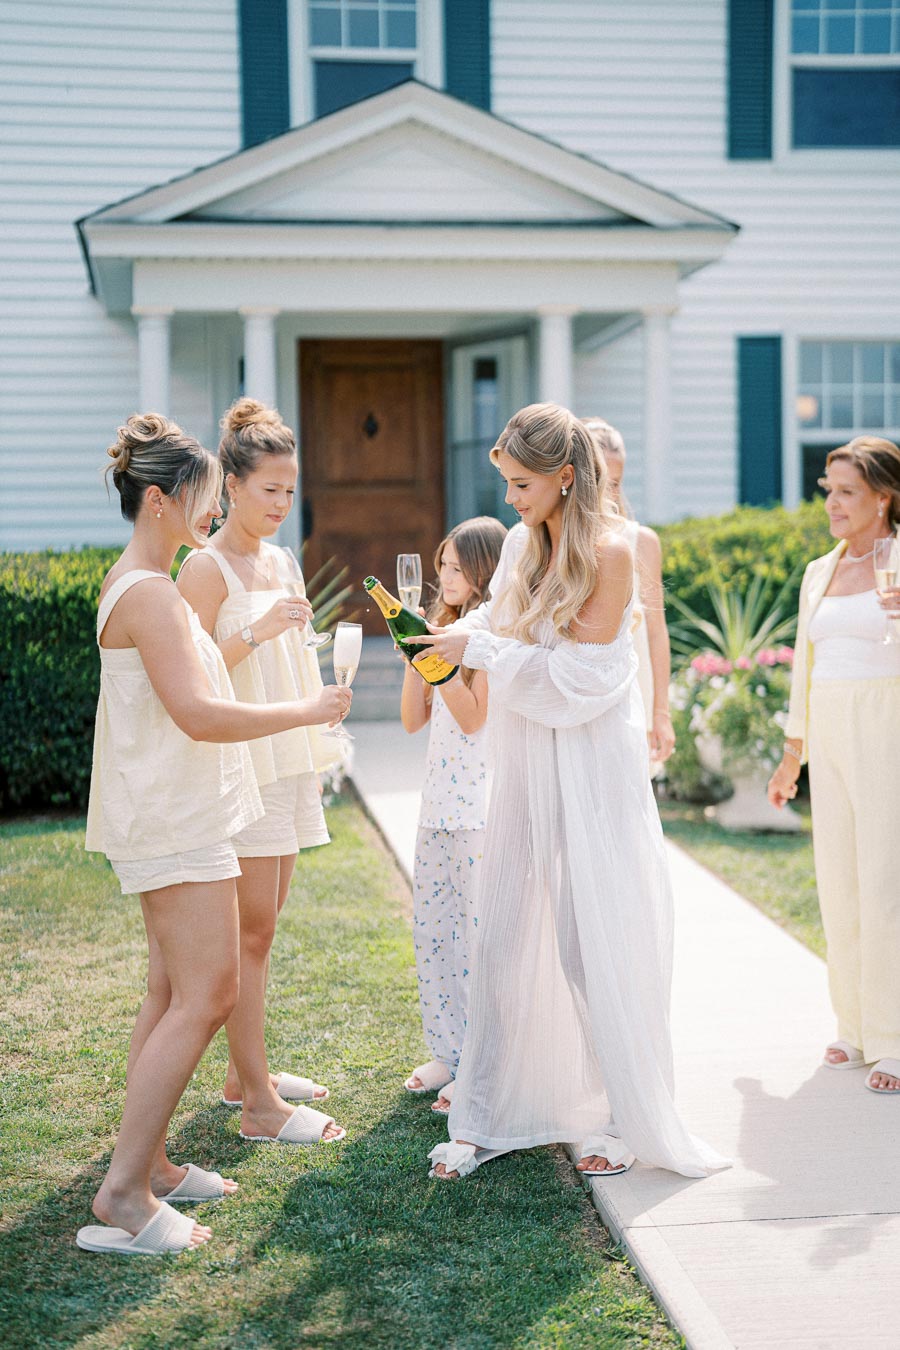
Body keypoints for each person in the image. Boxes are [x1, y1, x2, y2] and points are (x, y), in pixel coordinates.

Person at [407, 403, 729, 1182]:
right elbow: (509, 623)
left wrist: (482, 644)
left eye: (522, 484)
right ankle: (487, 1111)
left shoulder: (612, 552)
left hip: (592, 763)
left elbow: (585, 682)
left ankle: (618, 1113)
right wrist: (452, 629)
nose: (511, 499)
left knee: (596, 936)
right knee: (509, 929)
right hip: (526, 760)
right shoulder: (519, 542)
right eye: (507, 484)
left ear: (564, 476)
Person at [78, 414, 350, 1258]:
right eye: (198, 501)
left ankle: (149, 1165)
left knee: (170, 991)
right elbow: (196, 712)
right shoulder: (151, 592)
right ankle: (123, 1191)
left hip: (174, 809)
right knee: (208, 994)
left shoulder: (145, 581)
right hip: (172, 815)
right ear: (159, 500)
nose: (206, 518)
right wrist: (305, 711)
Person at [177, 398, 344, 1147]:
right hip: (238, 759)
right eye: (270, 489)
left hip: (287, 755)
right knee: (247, 931)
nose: (282, 504)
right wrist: (257, 627)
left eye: (289, 490)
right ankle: (257, 1107)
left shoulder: (278, 560)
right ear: (233, 487)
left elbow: (285, 654)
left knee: (265, 927)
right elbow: (191, 681)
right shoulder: (202, 569)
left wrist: (318, 697)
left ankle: (244, 1074)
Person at [767, 436, 900, 1095]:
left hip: (888, 728)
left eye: (848, 492)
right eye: (829, 490)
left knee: (885, 884)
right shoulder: (821, 569)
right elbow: (805, 671)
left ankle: (894, 1035)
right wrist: (793, 756)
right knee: (839, 882)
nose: (833, 504)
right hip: (831, 726)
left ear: (885, 497)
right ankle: (853, 1024)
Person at [400, 517, 507, 1113]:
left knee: (475, 938)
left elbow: (473, 719)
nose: (445, 577)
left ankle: (482, 1065)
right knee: (434, 932)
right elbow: (413, 722)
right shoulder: (443, 632)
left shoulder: (484, 639)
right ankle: (448, 1050)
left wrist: (439, 658)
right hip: (436, 804)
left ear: (484, 572)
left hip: (477, 808)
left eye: (456, 568)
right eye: (441, 566)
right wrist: (414, 652)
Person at [582, 418, 675, 768]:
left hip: (632, 694)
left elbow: (656, 631)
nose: (607, 493)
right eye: (598, 480)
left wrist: (661, 712)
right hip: (580, 696)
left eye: (615, 483)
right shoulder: (554, 542)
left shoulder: (641, 542)